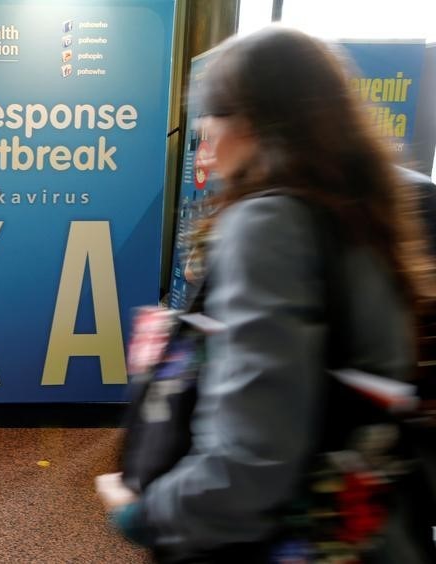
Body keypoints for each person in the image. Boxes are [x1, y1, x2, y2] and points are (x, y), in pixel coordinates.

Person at [95, 26, 436, 563]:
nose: (204, 133)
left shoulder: (269, 223)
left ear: (254, 120)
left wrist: (147, 512)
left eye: (213, 112)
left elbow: (252, 455)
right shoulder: (363, 214)